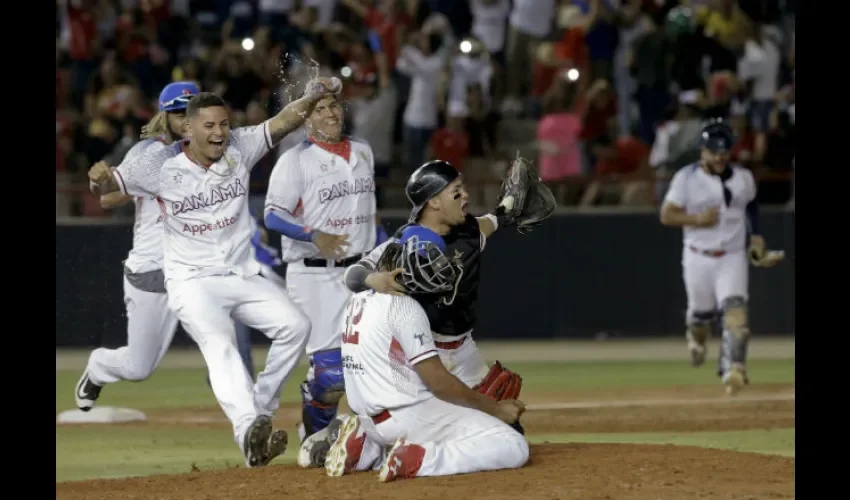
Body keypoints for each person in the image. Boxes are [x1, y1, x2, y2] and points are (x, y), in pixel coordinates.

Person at [87, 78, 342, 467]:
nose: (219, 132)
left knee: (295, 326)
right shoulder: (157, 163)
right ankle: (248, 431)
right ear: (187, 128)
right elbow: (107, 188)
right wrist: (99, 176)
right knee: (220, 347)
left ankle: (261, 406)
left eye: (223, 124)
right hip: (191, 281)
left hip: (239, 273)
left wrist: (310, 97)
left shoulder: (240, 145)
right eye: (209, 125)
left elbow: (284, 120)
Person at [297, 159, 526, 469]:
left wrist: (507, 208)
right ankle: (373, 442)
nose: (465, 197)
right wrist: (372, 279)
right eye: (455, 192)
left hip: (463, 347)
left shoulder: (470, 231)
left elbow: (492, 221)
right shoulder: (403, 243)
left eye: (463, 189)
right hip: (421, 350)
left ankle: (366, 443)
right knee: (467, 425)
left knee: (509, 428)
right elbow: (353, 273)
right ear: (432, 201)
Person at [324, 228, 529, 482]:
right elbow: (438, 383)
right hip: (407, 417)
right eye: (426, 262)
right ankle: (419, 459)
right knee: (512, 445)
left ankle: (367, 447)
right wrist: (494, 408)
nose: (435, 268)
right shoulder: (405, 307)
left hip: (369, 418)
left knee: (447, 407)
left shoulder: (356, 300)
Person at [264, 72, 387, 444]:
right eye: (320, 108)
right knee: (331, 374)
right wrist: (313, 234)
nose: (331, 113)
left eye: (334, 105)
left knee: (375, 359)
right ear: (306, 117)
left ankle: (369, 438)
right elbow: (272, 214)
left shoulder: (363, 149)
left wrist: (383, 250)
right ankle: (313, 440)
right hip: (315, 275)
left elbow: (370, 212)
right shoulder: (294, 160)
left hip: (362, 270)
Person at [75, 81, 198, 414]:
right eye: (177, 112)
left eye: (191, 111)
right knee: (139, 368)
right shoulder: (148, 152)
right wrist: (110, 181)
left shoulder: (214, 149)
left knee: (226, 335)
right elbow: (105, 191)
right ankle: (99, 366)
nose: (185, 119)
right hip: (152, 270)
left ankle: (249, 415)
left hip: (195, 269)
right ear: (165, 115)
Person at [659, 119, 771, 395]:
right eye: (713, 150)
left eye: (724, 150)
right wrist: (697, 218)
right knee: (701, 316)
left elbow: (751, 206)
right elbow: (667, 214)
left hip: (732, 256)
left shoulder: (743, 177)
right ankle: (695, 336)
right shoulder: (686, 178)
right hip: (698, 256)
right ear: (703, 150)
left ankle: (734, 368)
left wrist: (755, 237)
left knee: (735, 312)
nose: (719, 156)